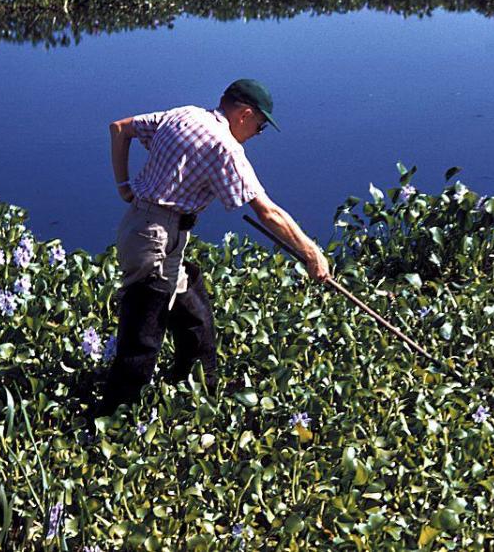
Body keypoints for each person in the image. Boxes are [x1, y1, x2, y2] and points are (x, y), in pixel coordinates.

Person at [96, 79, 329, 416]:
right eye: (259, 127)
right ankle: (111, 419)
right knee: (142, 337)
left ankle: (201, 388)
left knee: (194, 314)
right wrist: (311, 253)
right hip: (156, 240)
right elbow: (267, 211)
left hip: (144, 227)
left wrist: (124, 186)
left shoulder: (185, 115)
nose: (256, 134)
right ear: (245, 114)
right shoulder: (225, 147)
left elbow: (119, 129)